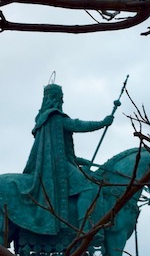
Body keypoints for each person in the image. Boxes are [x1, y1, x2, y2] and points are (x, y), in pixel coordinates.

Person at [19, 82, 117, 233]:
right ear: (54, 98)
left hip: (55, 163)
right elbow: (78, 125)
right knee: (88, 187)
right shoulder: (55, 117)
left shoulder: (43, 120)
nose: (62, 101)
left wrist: (78, 160)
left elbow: (57, 150)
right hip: (58, 166)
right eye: (60, 97)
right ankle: (84, 228)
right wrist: (102, 123)